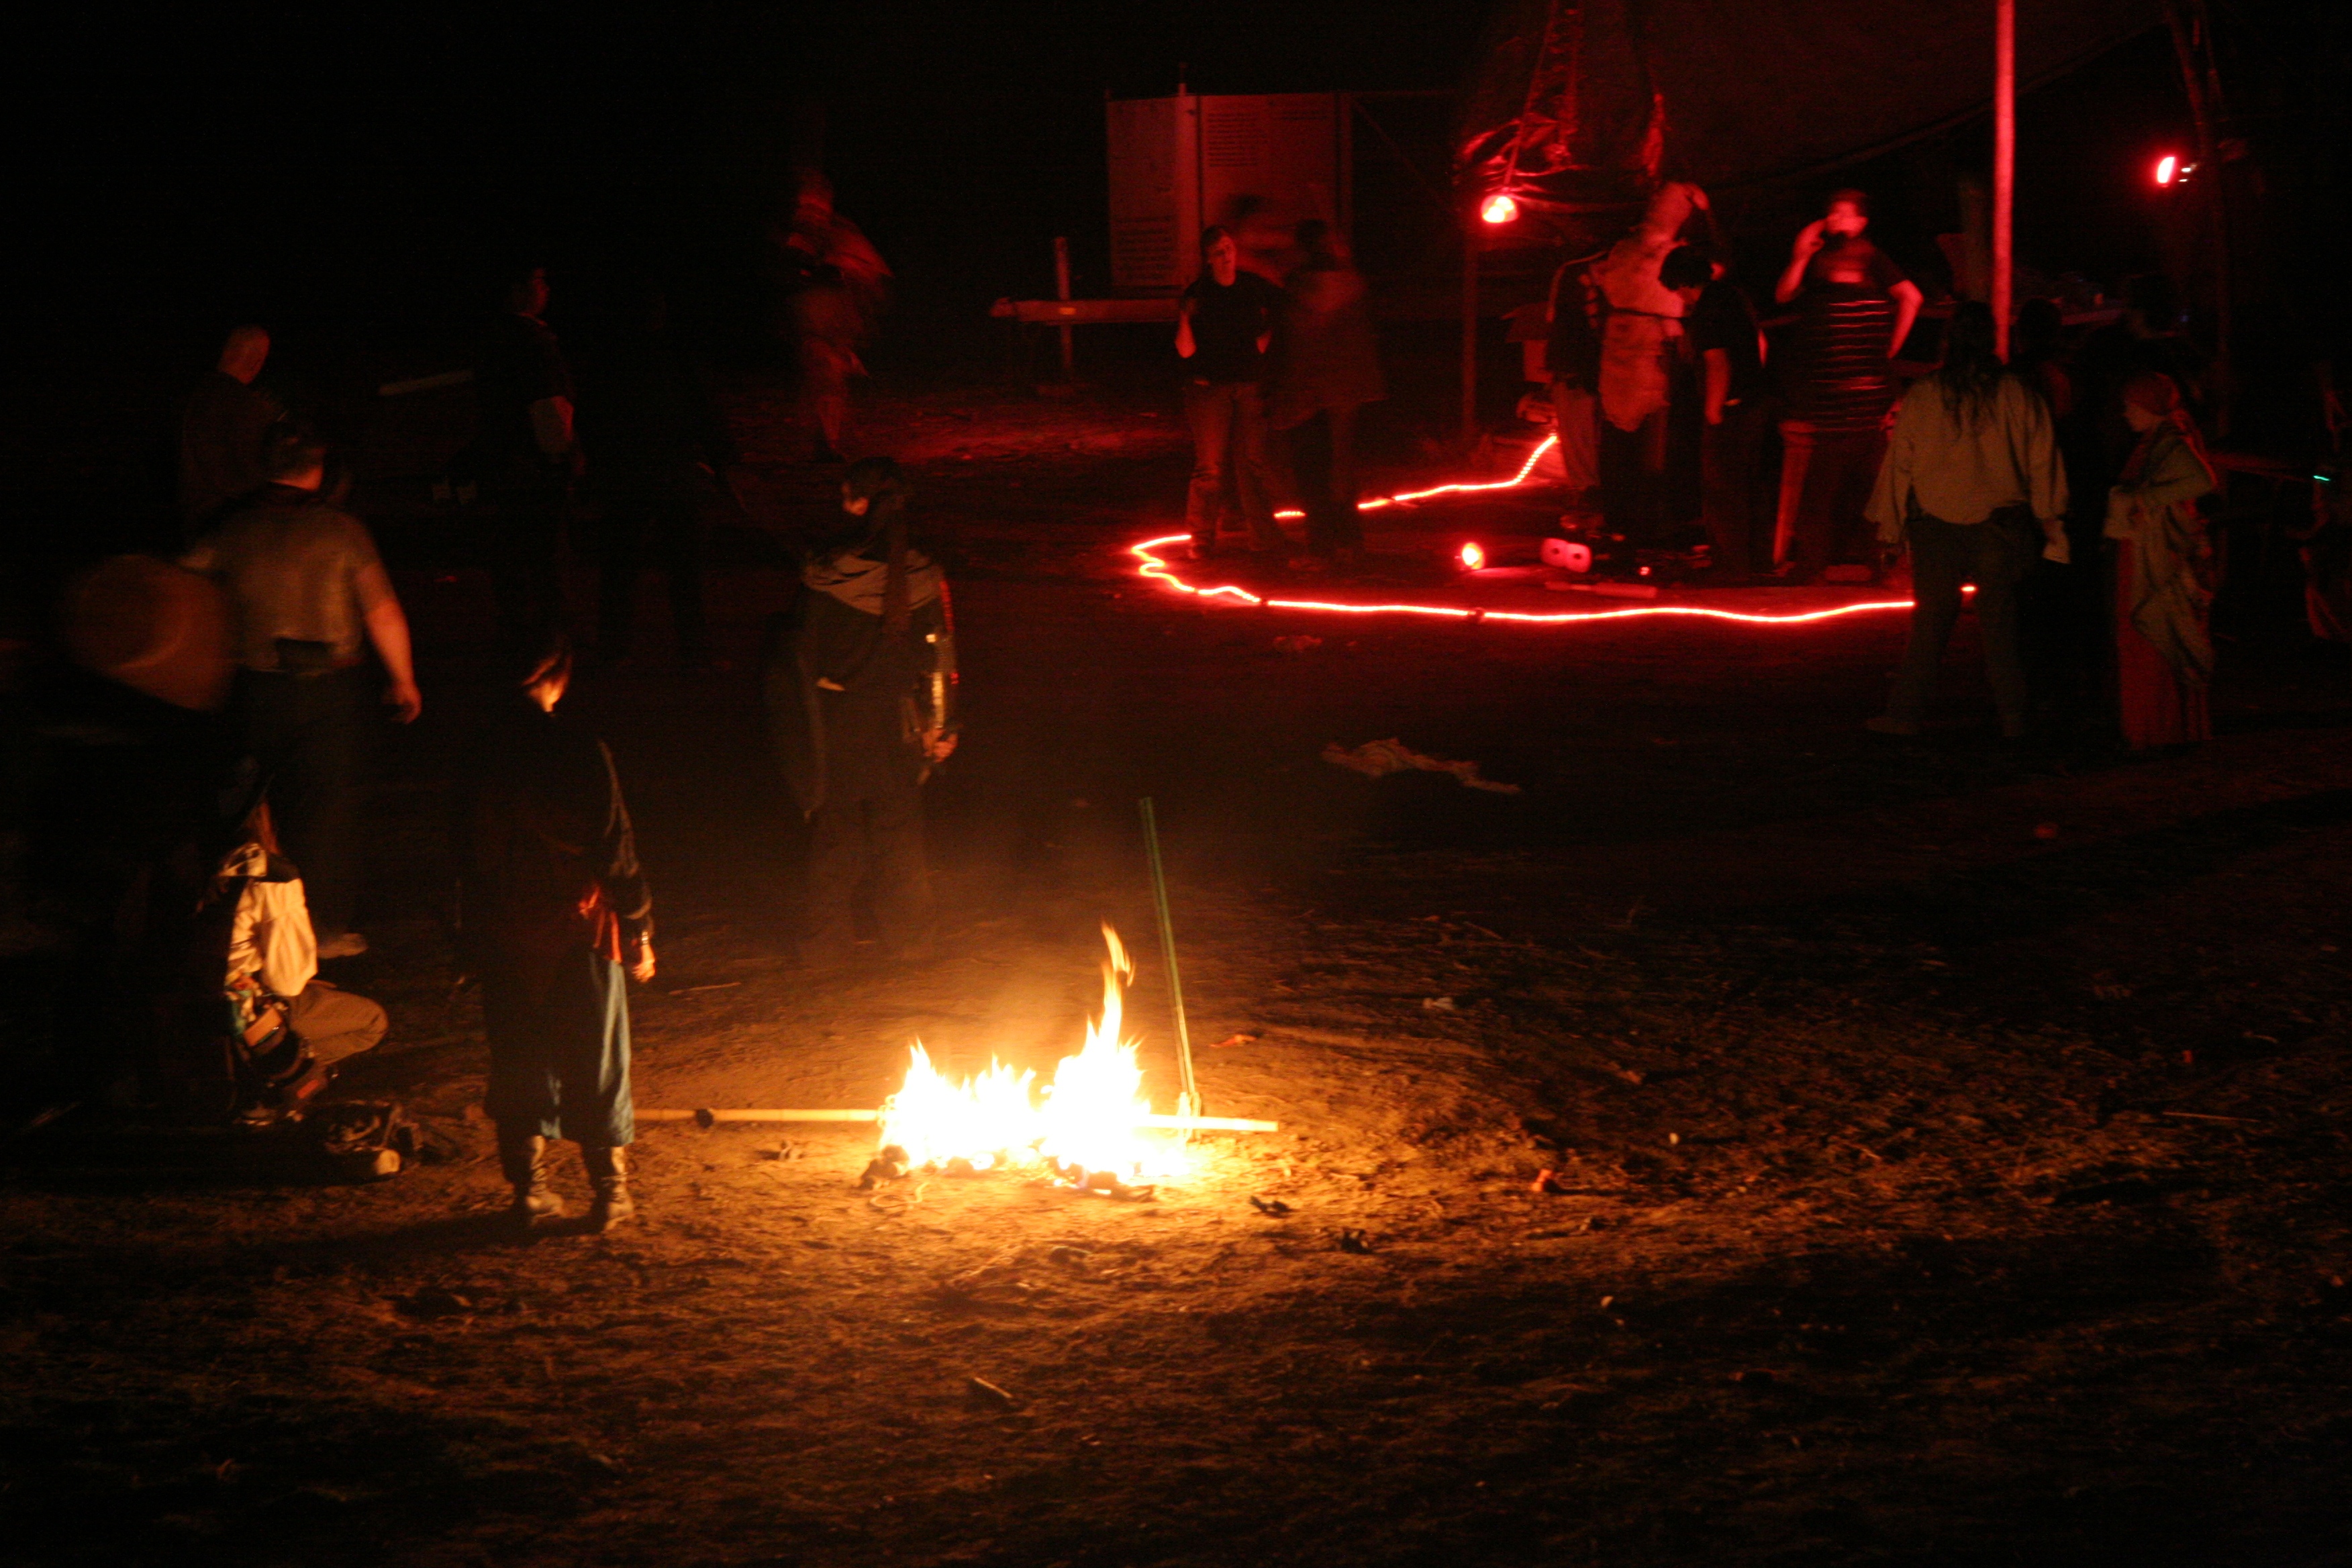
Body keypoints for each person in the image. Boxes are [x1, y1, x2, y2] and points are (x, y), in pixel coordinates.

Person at [183, 428, 422, 957]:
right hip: (329, 695)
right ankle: (323, 929)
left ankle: (241, 925)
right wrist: (403, 678)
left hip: (255, 690)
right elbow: (382, 611)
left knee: (253, 808)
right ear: (317, 469)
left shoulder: (232, 529)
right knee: (327, 813)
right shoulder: (341, 532)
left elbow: (183, 587)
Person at [453, 632, 654, 1230]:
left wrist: (470, 936)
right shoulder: (578, 748)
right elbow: (615, 847)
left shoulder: (476, 752)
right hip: (579, 927)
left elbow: (461, 854)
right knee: (597, 1058)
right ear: (558, 676)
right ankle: (609, 1194)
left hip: (504, 928)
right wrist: (639, 927)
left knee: (519, 1054)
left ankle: (530, 1192)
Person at [765, 458, 956, 966]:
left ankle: (825, 946)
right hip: (897, 725)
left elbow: (801, 656)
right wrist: (941, 724)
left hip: (840, 724)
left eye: (846, 494)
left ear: (860, 504)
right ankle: (911, 942)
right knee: (900, 837)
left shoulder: (828, 575)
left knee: (836, 836)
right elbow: (938, 653)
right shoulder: (921, 573)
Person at [1863, 301, 2068, 739]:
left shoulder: (1925, 394)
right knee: (2002, 626)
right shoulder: (2017, 393)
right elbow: (2043, 460)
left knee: (1931, 624)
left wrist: (1891, 528)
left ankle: (1904, 716)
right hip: (2002, 523)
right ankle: (2014, 718)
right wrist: (2051, 522)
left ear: (1949, 341)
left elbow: (1901, 464)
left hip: (1936, 525)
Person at [581, 284, 742, 669]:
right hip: (672, 473)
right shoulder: (676, 354)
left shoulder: (610, 358)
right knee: (683, 569)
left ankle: (614, 648)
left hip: (628, 474)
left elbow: (590, 416)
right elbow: (705, 411)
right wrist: (723, 461)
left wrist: (597, 465)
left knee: (621, 568)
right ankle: (692, 651)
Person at [1774, 189, 1924, 582]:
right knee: (1836, 485)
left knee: (1857, 484)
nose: (1837, 221)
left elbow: (1912, 297)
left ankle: (1867, 562)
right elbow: (1784, 294)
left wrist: (1891, 348)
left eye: (1845, 214)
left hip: (1865, 397)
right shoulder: (1820, 264)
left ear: (1861, 223)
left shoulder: (1871, 261)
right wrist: (1801, 254)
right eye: (1832, 214)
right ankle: (1830, 563)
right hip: (1833, 395)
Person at [215, 799, 386, 1084]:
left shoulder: (177, 861)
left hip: (181, 1000)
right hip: (240, 1012)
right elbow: (288, 982)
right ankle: (283, 1070)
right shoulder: (273, 877)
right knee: (373, 1022)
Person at [1588, 183, 1710, 552]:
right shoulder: (1651, 252)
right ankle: (1637, 520)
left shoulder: (1635, 249)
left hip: (1634, 348)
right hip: (1640, 350)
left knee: (1635, 438)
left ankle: (1632, 518)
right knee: (1638, 439)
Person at [2106, 371, 2219, 750]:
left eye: (2130, 406)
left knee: (2154, 636)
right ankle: (2156, 726)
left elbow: (2202, 480)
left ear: (2148, 406)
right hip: (2144, 549)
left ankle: (2158, 728)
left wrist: (2143, 500)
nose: (2125, 414)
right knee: (2146, 638)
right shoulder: (2157, 440)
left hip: (2156, 556)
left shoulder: (2171, 441)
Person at [471, 264, 579, 636]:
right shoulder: (532, 340)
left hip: (504, 460)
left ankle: (514, 626)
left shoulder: (493, 337)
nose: (545, 288)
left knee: (511, 546)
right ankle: (551, 633)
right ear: (517, 290)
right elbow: (547, 403)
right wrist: (562, 454)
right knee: (547, 550)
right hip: (534, 464)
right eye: (538, 281)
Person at [1270, 220, 1383, 565]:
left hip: (1306, 391)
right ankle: (1349, 542)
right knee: (1341, 469)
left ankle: (1322, 545)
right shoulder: (1352, 286)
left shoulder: (1295, 288)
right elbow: (1361, 342)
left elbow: (1289, 344)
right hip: (1344, 391)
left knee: (1311, 471)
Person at [1176, 226, 1284, 559]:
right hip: (1209, 389)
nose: (1226, 256)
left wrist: (1264, 341)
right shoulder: (1199, 294)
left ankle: (1263, 536)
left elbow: (1282, 306)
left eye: (1229, 249)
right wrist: (1185, 318)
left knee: (1252, 462)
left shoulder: (1252, 286)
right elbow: (1185, 350)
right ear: (1208, 259)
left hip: (1248, 384)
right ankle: (1201, 539)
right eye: (1219, 252)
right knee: (1210, 466)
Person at [1665, 244, 1770, 581]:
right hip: (1756, 401)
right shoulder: (1734, 296)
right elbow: (1761, 342)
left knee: (1723, 491)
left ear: (1682, 283)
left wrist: (1713, 411)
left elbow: (1717, 361)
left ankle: (1731, 566)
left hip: (1730, 408)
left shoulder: (1707, 310)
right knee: (1751, 486)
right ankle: (1757, 562)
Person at [781, 173, 891, 463]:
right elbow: (790, 273)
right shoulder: (799, 236)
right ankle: (824, 442)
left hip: (836, 320)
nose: (810, 212)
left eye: (816, 206)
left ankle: (827, 441)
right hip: (814, 321)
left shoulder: (840, 231)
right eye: (805, 206)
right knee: (824, 377)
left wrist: (844, 271)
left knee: (831, 379)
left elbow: (868, 271)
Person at [177, 325, 283, 538]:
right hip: (231, 527)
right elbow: (254, 475)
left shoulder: (189, 396)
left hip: (186, 521)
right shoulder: (249, 408)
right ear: (256, 363)